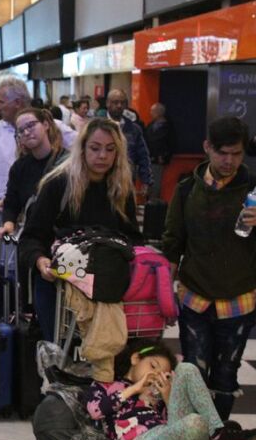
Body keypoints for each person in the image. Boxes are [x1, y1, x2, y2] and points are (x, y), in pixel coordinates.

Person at [162, 116, 256, 421]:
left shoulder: (253, 190)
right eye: (222, 153)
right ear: (207, 148)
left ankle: (218, 438)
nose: (229, 161)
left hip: (240, 298)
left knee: (226, 375)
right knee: (194, 371)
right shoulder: (187, 189)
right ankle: (195, 439)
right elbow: (173, 242)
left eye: (237, 154)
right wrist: (164, 292)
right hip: (195, 296)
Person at [18, 118, 141, 341]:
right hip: (58, 286)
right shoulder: (57, 184)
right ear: (82, 149)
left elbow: (133, 237)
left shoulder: (121, 188)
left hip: (106, 284)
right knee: (61, 355)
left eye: (110, 149)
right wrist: (40, 260)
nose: (102, 156)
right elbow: (31, 237)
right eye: (95, 148)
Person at [85, 340, 256, 440]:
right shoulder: (107, 385)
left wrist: (167, 395)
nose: (155, 375)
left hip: (172, 434)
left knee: (186, 368)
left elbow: (173, 421)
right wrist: (135, 388)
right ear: (135, 358)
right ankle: (218, 434)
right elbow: (94, 411)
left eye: (162, 374)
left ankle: (219, 435)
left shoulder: (156, 392)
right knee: (195, 421)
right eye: (153, 366)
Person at [0, 77, 77, 219]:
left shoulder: (53, 126)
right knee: (6, 239)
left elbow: (82, 147)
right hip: (5, 208)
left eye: (1, 102)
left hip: (46, 209)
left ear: (17, 103)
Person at [0, 108, 66, 241]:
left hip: (62, 236)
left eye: (31, 125)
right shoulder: (19, 168)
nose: (26, 132)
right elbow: (11, 203)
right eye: (21, 130)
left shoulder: (66, 163)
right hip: (33, 237)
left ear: (45, 125)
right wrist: (8, 224)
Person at [107, 89, 153, 191]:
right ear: (108, 103)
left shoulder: (134, 129)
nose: (119, 106)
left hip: (126, 180)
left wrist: (146, 181)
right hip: (102, 179)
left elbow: (143, 156)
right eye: (115, 102)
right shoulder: (96, 126)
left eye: (122, 103)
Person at [144, 103, 174, 200]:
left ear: (159, 113)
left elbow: (171, 144)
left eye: (152, 111)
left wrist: (164, 156)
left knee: (155, 183)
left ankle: (153, 202)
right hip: (148, 159)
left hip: (158, 160)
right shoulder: (150, 126)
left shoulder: (168, 128)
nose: (150, 113)